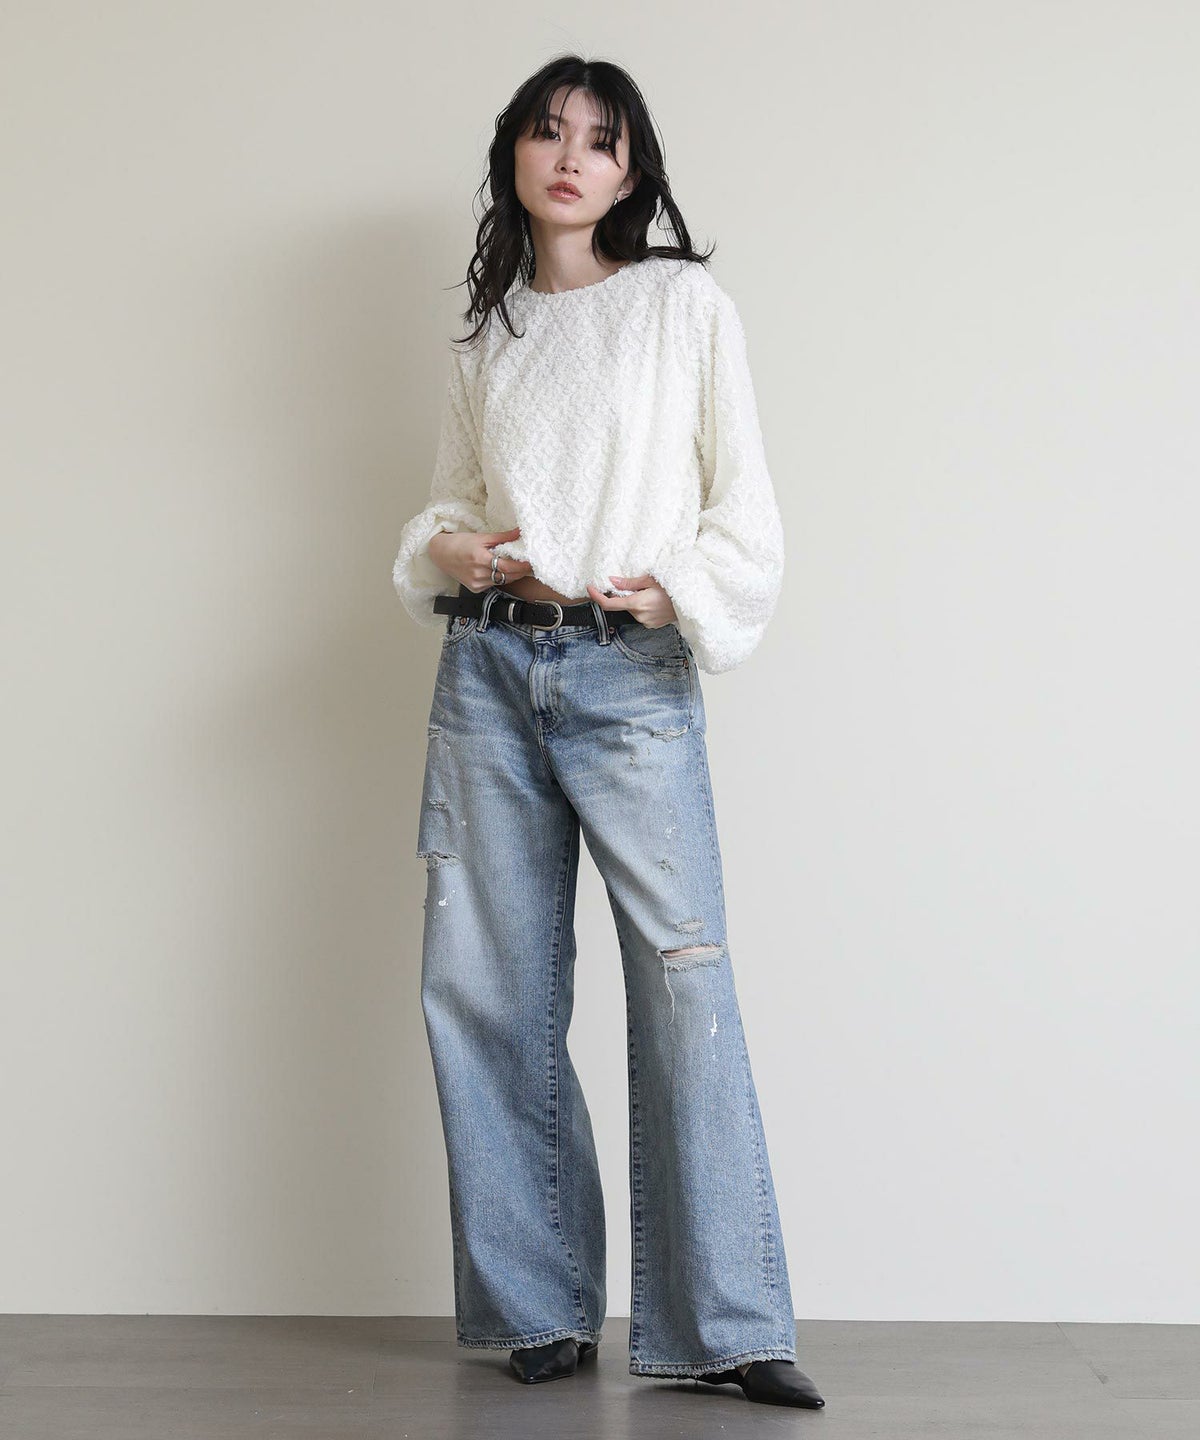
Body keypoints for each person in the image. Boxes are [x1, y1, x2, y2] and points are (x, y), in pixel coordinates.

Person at [391, 54, 825, 1411]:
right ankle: (539, 1307)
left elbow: (745, 511)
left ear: (632, 169)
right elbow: (450, 505)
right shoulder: (490, 333)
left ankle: (729, 1324)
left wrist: (672, 589)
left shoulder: (683, 306)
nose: (571, 155)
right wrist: (448, 548)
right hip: (488, 670)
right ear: (515, 157)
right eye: (548, 131)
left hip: (627, 674)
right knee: (483, 988)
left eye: (600, 137)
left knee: (683, 979)